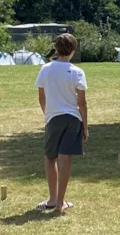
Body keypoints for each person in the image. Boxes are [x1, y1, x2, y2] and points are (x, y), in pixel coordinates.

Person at [35, 34, 88, 212]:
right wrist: (85, 126)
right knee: (65, 159)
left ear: (56, 49)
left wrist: (48, 114)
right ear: (73, 50)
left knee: (50, 158)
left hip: (53, 118)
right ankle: (60, 202)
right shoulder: (77, 71)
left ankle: (52, 199)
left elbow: (41, 96)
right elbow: (82, 103)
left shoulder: (45, 69)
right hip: (73, 119)